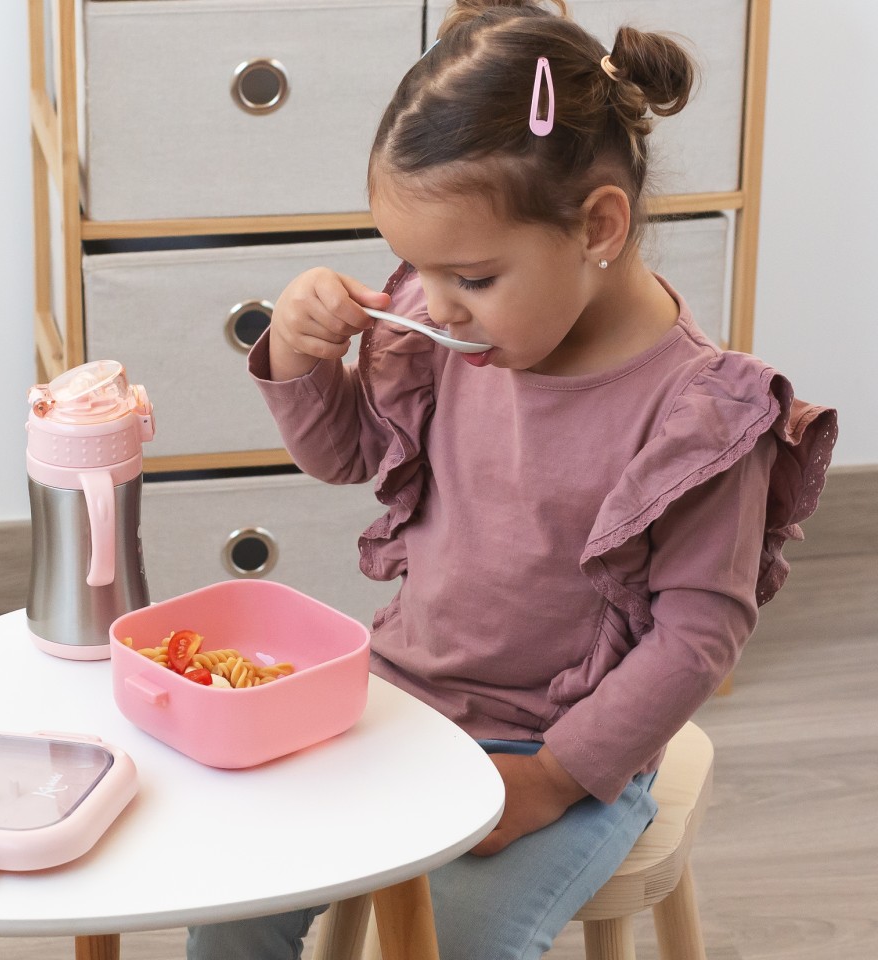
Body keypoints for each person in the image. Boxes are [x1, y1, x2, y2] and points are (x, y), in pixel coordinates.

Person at [189, 1, 838, 958]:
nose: (435, 305)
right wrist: (297, 351)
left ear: (599, 225)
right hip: (397, 699)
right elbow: (349, 455)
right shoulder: (454, 327)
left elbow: (697, 635)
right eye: (418, 267)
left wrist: (552, 781)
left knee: (459, 938)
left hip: (562, 748)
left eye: (473, 278)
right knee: (233, 896)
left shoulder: (704, 416)